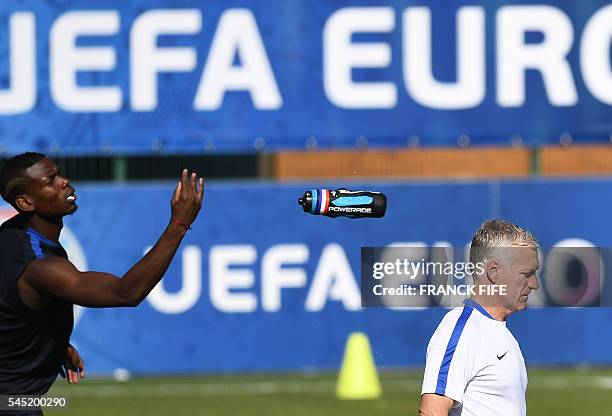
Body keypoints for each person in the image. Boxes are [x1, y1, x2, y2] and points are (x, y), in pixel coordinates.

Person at [0, 152, 203, 397]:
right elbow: (125, 293)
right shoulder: (40, 266)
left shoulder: (11, 234)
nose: (63, 181)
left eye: (59, 173)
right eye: (49, 180)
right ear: (25, 203)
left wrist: (52, 341)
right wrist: (178, 224)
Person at [419, 219, 540, 416]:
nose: (534, 284)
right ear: (494, 272)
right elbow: (432, 412)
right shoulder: (462, 330)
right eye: (527, 274)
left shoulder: (500, 332)